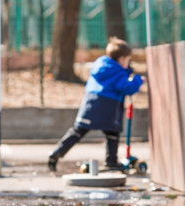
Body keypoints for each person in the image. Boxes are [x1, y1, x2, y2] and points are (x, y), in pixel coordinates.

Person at [48, 37, 144, 172]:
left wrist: (127, 71)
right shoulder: (118, 72)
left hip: (90, 102)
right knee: (112, 134)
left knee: (78, 130)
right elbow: (127, 88)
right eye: (127, 60)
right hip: (109, 105)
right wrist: (138, 80)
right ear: (122, 59)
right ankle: (111, 161)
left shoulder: (100, 65)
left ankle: (57, 152)